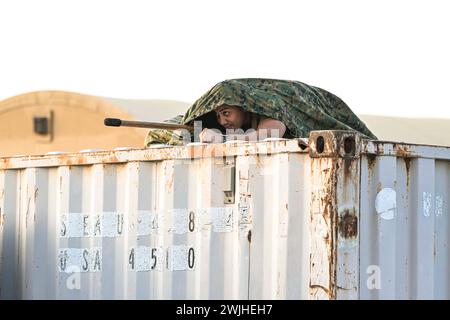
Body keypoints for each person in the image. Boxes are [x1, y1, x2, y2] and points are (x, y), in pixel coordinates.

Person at [144, 78, 377, 147]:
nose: (222, 120)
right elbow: (174, 126)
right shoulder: (231, 119)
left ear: (243, 106)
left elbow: (273, 130)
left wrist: (225, 139)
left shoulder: (267, 110)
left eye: (226, 113)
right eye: (217, 116)